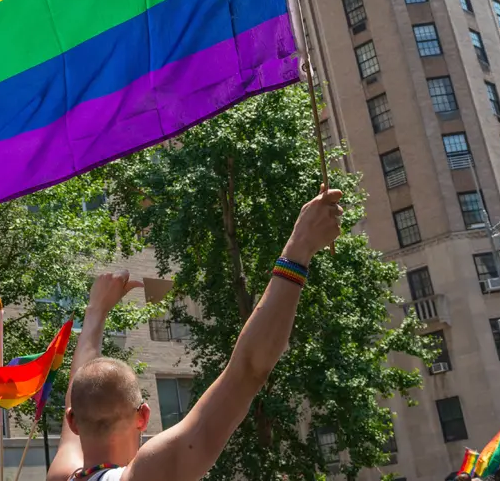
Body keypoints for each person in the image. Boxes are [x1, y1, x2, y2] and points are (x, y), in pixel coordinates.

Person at [47, 187, 344, 481]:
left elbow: (249, 370)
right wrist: (299, 245)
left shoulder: (61, 476)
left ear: (73, 421)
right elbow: (246, 370)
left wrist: (95, 312)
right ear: (143, 416)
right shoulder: (148, 473)